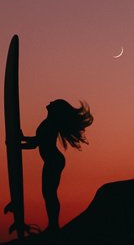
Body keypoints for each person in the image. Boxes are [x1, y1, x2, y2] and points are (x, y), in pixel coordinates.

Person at [20, 99, 93, 231]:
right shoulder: (48, 123)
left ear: (55, 109)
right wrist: (22, 140)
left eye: (54, 102)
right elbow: (37, 142)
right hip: (53, 160)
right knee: (49, 193)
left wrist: (19, 144)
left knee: (49, 193)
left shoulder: (50, 124)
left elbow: (35, 143)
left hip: (53, 161)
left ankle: (53, 225)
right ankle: (53, 224)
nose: (50, 102)